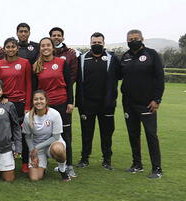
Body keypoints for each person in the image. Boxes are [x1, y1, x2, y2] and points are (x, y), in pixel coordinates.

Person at [119, 29, 164, 178]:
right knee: (133, 134)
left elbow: (160, 78)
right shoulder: (125, 56)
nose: (133, 41)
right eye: (130, 39)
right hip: (128, 103)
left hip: (147, 103)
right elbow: (117, 74)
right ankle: (137, 164)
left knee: (151, 135)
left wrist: (156, 99)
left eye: (135, 38)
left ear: (142, 38)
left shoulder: (151, 54)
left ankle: (157, 168)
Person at [75, 32, 120, 170]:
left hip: (106, 104)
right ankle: (84, 159)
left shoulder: (112, 58)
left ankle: (107, 160)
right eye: (94, 43)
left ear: (103, 43)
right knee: (86, 133)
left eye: (99, 43)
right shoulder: (82, 58)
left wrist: (112, 98)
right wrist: (79, 102)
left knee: (107, 133)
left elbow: (118, 76)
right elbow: (78, 80)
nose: (96, 45)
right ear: (90, 43)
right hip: (87, 104)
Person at [32, 37, 75, 177]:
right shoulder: (36, 66)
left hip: (62, 103)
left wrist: (70, 101)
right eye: (42, 46)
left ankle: (68, 165)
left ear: (53, 47)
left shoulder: (61, 62)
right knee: (45, 133)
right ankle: (43, 161)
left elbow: (69, 84)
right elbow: (35, 88)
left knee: (65, 135)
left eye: (48, 45)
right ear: (40, 48)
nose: (45, 48)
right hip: (44, 106)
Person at [0, 37, 32, 173]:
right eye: (8, 47)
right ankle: (3, 161)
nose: (10, 49)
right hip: (4, 103)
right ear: (4, 48)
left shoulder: (25, 63)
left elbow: (28, 84)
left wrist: (27, 106)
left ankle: (25, 162)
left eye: (13, 47)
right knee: (4, 134)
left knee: (23, 133)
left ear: (17, 48)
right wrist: (1, 99)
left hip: (20, 103)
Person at [23, 90, 71, 181]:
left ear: (46, 101)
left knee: (58, 150)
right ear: (32, 101)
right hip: (37, 147)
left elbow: (56, 137)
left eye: (41, 99)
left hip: (53, 144)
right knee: (34, 178)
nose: (39, 101)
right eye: (36, 99)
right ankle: (43, 165)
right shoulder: (28, 116)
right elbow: (28, 136)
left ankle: (62, 170)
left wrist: (36, 148)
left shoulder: (55, 114)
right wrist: (33, 152)